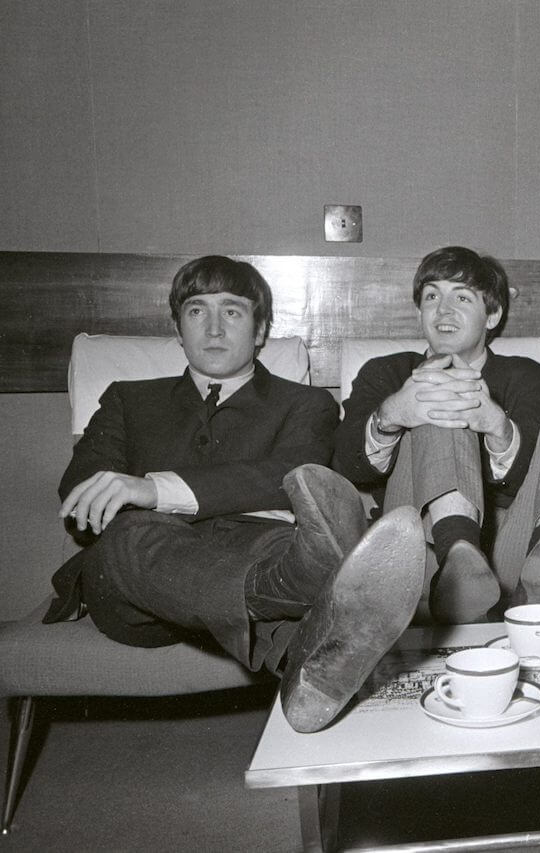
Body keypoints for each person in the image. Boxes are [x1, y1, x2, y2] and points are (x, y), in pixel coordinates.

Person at [48, 255, 425, 734]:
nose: (213, 327)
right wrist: (148, 501)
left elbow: (291, 474)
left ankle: (301, 659)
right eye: (196, 311)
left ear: (261, 329)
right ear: (178, 329)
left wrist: (151, 486)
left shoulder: (306, 404)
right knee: (129, 533)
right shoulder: (127, 399)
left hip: (257, 552)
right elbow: (82, 497)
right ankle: (297, 588)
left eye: (232, 311)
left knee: (291, 543)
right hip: (137, 592)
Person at [333, 246, 540, 622]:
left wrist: (497, 428)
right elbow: (349, 467)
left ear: (493, 315)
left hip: (512, 551)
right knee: (438, 380)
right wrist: (392, 415)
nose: (443, 310)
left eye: (461, 297)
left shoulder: (527, 377)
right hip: (419, 550)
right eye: (432, 296)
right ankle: (457, 561)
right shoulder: (384, 372)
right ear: (419, 311)